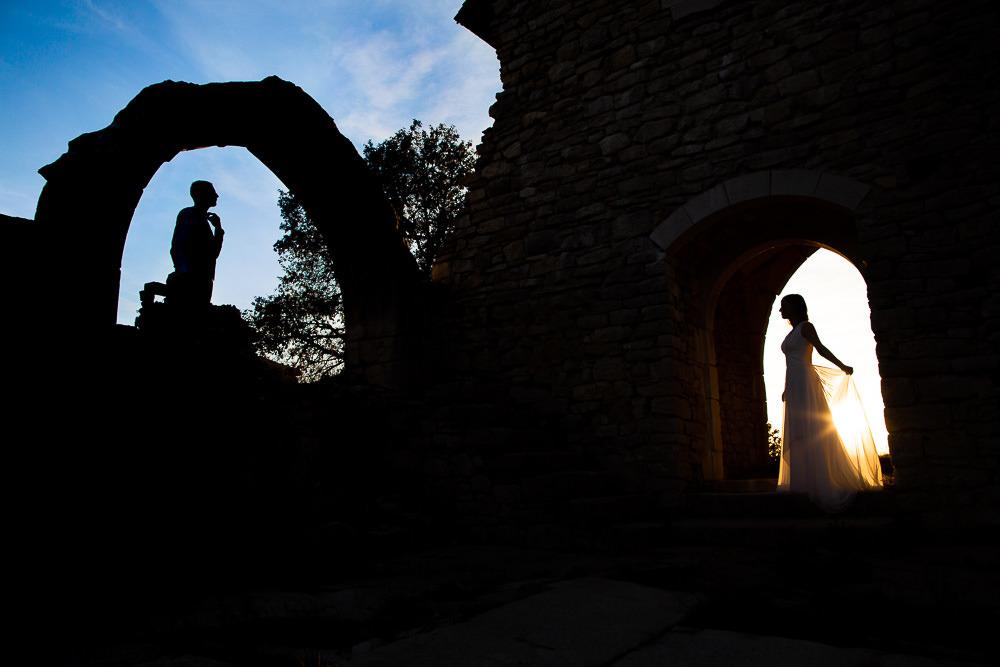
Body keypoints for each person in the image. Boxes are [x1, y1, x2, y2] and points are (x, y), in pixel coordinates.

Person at [775, 294, 882, 512]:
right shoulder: (791, 332)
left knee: (811, 429)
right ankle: (803, 482)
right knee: (797, 432)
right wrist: (786, 388)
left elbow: (820, 349)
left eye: (783, 306)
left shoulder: (806, 327)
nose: (780, 310)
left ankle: (822, 483)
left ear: (795, 307)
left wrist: (842, 365)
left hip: (805, 382)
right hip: (795, 385)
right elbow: (789, 364)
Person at [168, 180, 224, 307]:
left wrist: (218, 230)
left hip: (205, 280)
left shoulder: (206, 223)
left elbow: (213, 254)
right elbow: (177, 245)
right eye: (212, 192)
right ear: (200, 194)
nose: (217, 196)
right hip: (190, 279)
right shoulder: (187, 214)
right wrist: (182, 271)